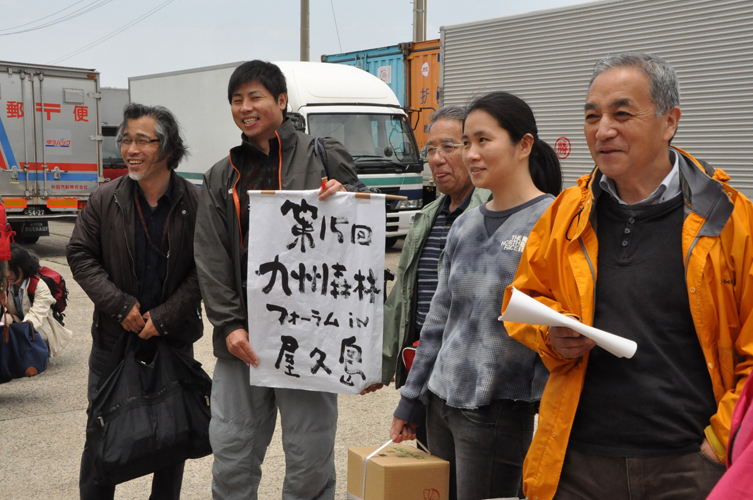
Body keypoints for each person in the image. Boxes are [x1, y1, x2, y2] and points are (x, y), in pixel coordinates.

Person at [502, 52, 753, 500]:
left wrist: (719, 442)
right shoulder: (567, 213)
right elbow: (525, 299)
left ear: (669, 121)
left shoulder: (731, 219)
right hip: (578, 462)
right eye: (592, 117)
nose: (603, 131)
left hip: (688, 466)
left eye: (621, 114)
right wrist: (551, 337)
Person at [193, 60, 361, 500]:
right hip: (242, 342)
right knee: (232, 452)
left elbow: (362, 230)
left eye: (256, 97)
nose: (245, 108)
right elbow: (210, 255)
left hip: (309, 336)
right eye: (237, 100)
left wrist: (346, 199)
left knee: (310, 457)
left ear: (282, 101)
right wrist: (229, 325)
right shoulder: (221, 175)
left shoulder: (322, 155)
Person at [390, 91, 562, 500]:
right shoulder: (464, 226)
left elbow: (562, 322)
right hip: (440, 405)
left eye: (483, 140)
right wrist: (411, 400)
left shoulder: (552, 222)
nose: (471, 154)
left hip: (498, 409)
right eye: (466, 142)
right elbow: (438, 321)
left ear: (524, 144)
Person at [67, 103, 203, 500]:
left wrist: (164, 317)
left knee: (173, 435)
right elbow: (80, 254)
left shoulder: (195, 201)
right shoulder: (104, 199)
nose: (131, 149)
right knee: (102, 437)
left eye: (143, 140)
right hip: (113, 342)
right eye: (126, 140)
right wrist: (120, 305)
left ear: (169, 147)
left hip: (172, 340)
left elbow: (206, 267)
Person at [378, 106, 490, 441]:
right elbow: (401, 300)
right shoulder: (426, 217)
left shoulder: (492, 215)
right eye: (430, 150)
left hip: (473, 384)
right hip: (425, 373)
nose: (436, 159)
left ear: (472, 149)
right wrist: (378, 367)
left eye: (448, 147)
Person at [6, 243, 72, 357]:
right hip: (18, 321)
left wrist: (17, 334)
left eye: (12, 269)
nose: (7, 274)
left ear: (23, 267)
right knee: (4, 321)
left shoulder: (39, 286)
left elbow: (36, 316)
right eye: (5, 269)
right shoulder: (4, 284)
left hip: (37, 325)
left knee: (34, 331)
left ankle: (39, 352)